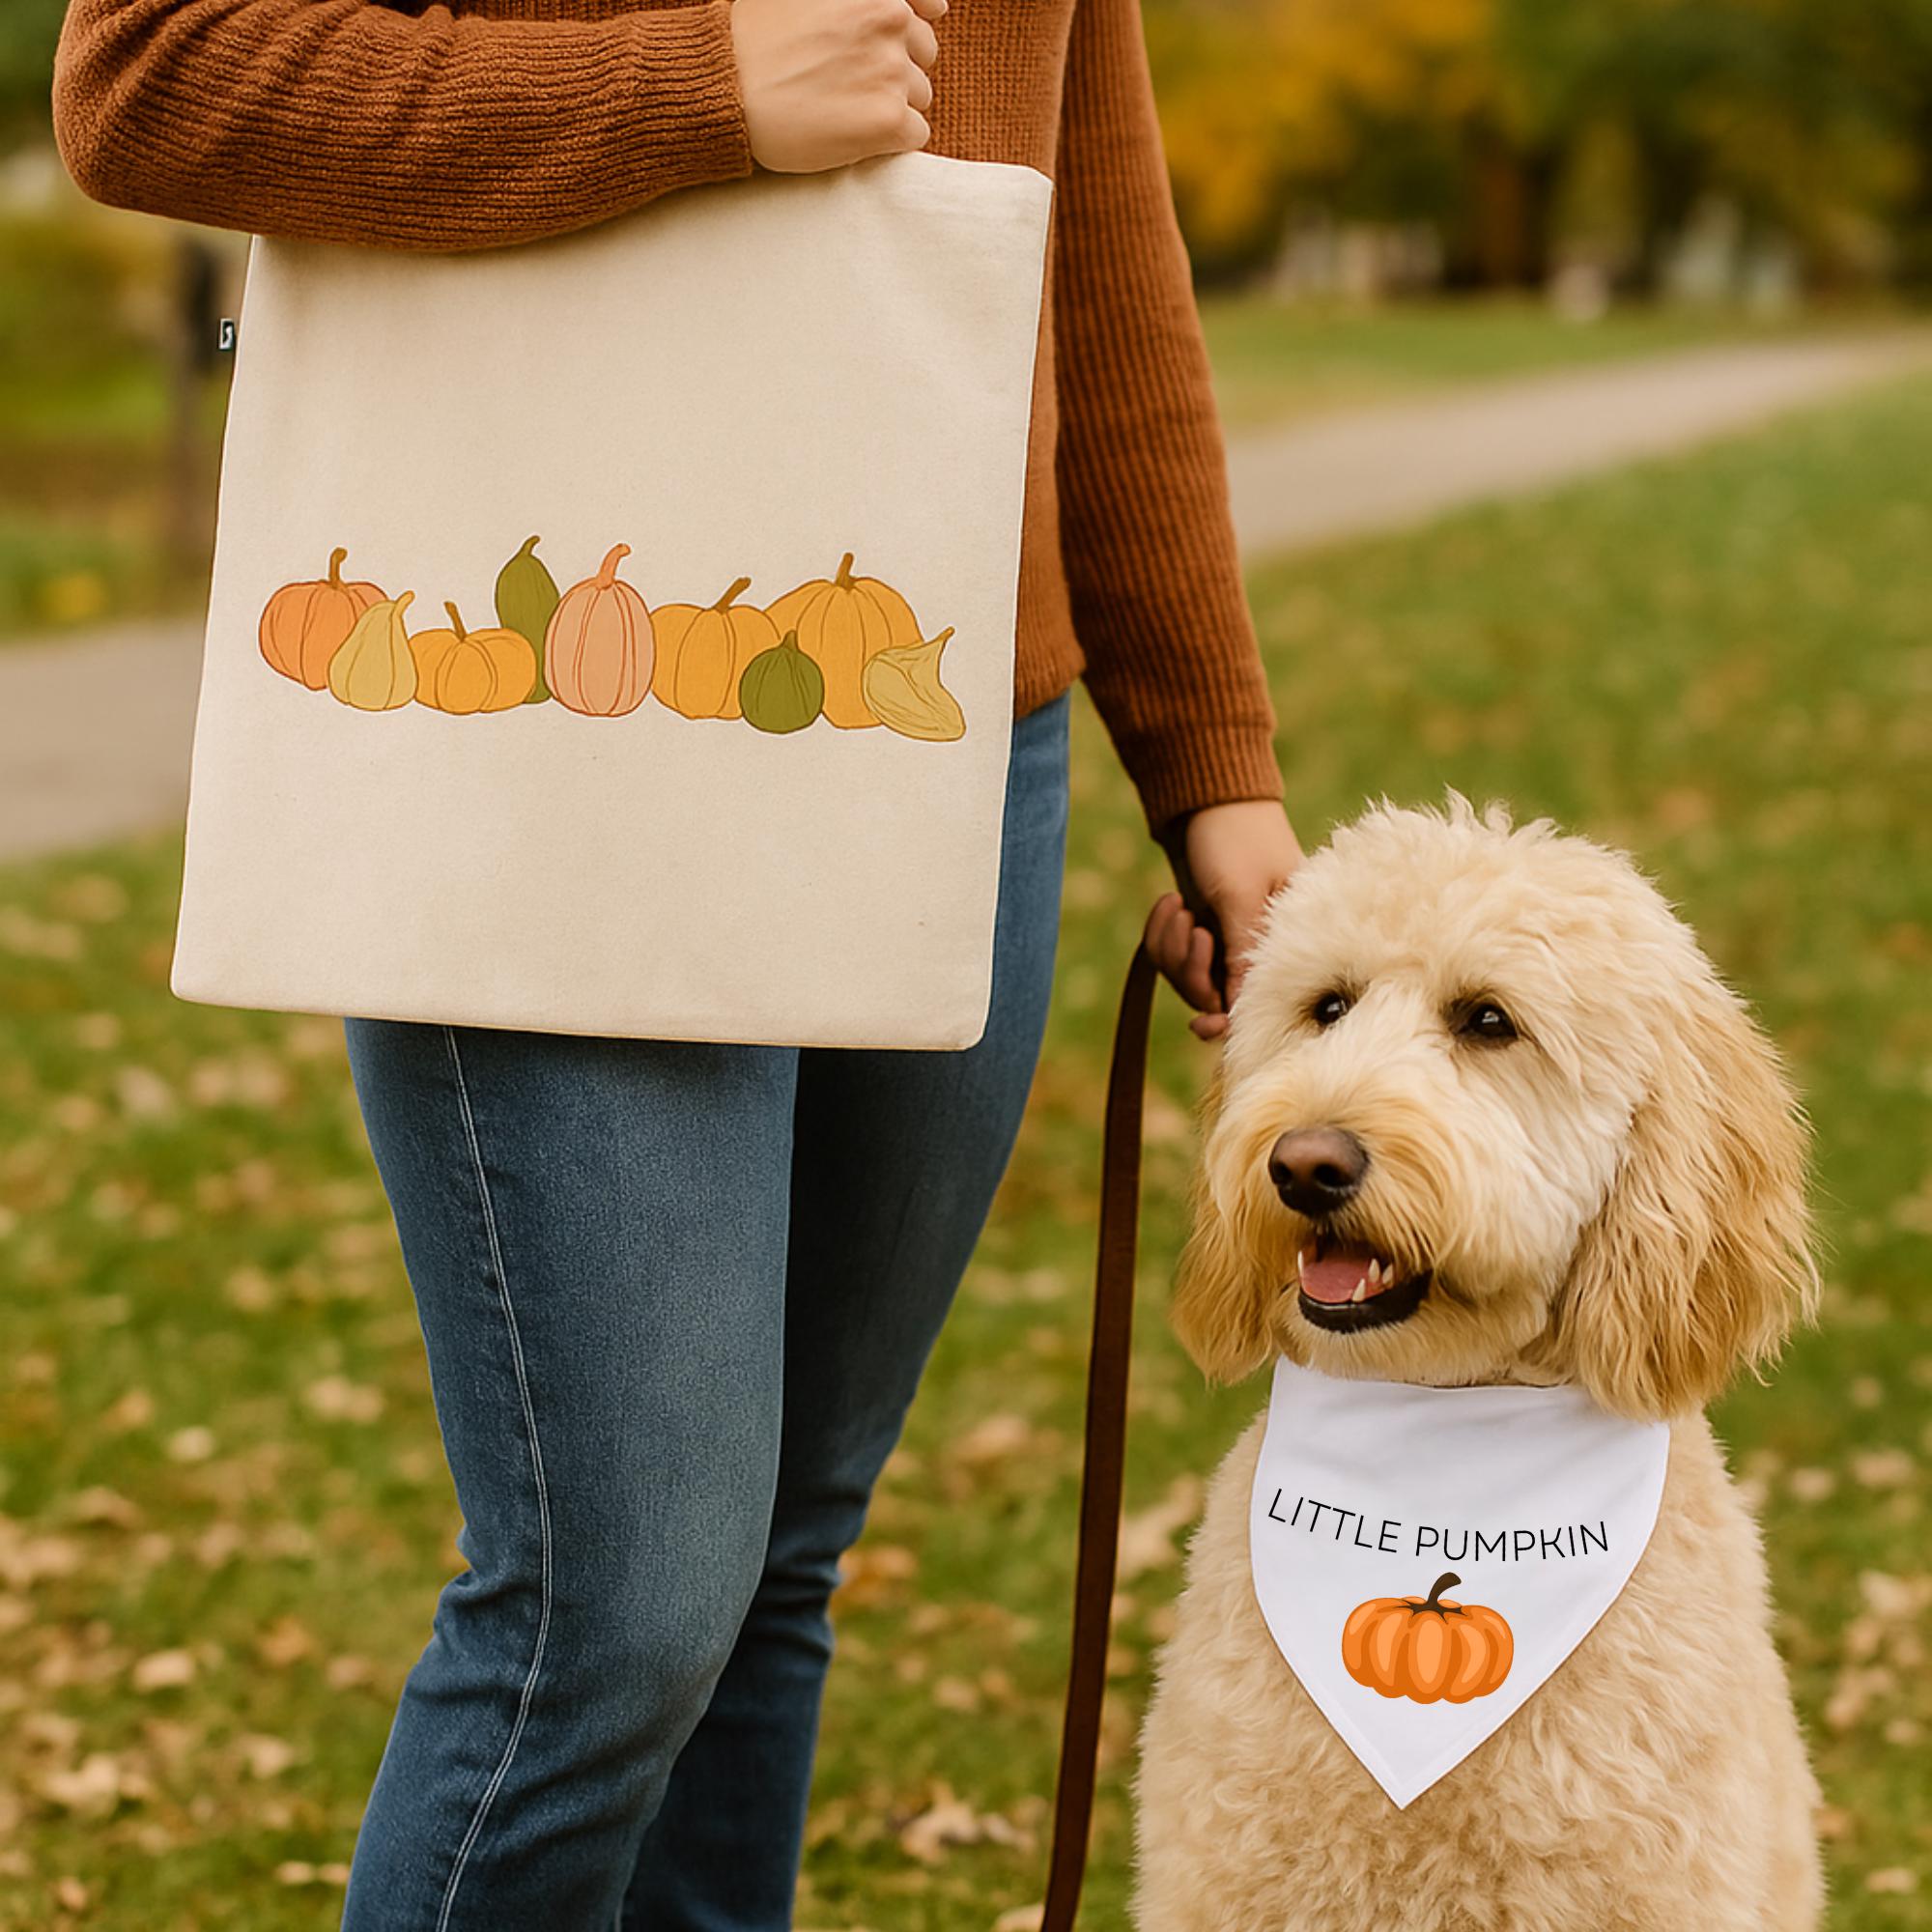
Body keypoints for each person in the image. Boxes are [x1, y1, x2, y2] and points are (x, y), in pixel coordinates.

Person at [51, 0, 1302, 1923]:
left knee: (780, 1554)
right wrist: (697, 91)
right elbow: (151, 77)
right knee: (618, 1608)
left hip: (953, 709)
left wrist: (1207, 756)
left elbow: (1098, 220)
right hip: (544, 709)